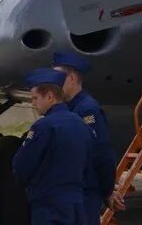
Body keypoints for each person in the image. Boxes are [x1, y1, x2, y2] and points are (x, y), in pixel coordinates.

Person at [12, 67, 93, 225]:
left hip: (49, 206)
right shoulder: (80, 124)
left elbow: (22, 166)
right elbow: (89, 163)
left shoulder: (44, 127)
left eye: (35, 98)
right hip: (77, 204)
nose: (33, 103)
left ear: (50, 97)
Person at [53, 51, 123, 221]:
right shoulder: (68, 108)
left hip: (84, 194)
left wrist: (106, 191)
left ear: (70, 79)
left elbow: (101, 155)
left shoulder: (86, 110)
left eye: (56, 79)